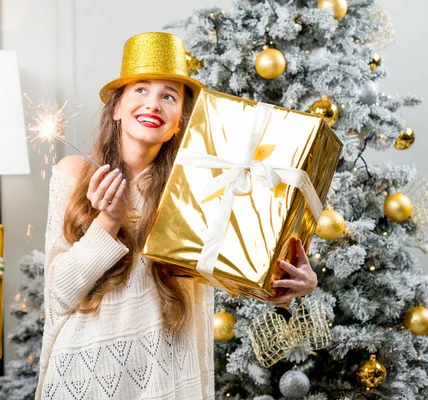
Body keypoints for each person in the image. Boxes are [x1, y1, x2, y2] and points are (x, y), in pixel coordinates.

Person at [36, 32, 318, 400]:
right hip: (82, 380)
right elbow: (59, 294)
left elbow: (240, 271)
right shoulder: (74, 173)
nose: (153, 104)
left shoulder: (205, 186)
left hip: (166, 383)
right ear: (116, 108)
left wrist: (288, 285)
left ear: (180, 121)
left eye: (168, 96)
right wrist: (109, 220)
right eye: (140, 90)